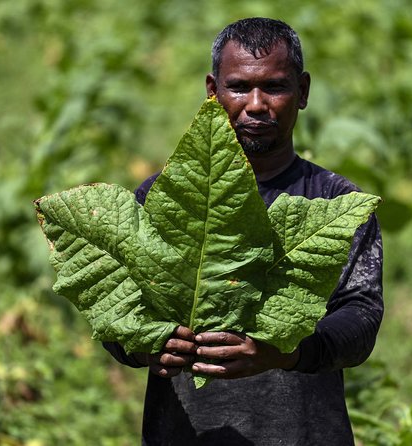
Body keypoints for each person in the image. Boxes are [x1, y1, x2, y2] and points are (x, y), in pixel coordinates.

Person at [103, 17, 383, 445]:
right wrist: (145, 346)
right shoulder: (163, 197)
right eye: (238, 87)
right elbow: (115, 307)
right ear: (213, 91)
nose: (256, 103)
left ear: (302, 91)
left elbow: (361, 317)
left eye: (274, 87)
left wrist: (286, 354)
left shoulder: (334, 202)